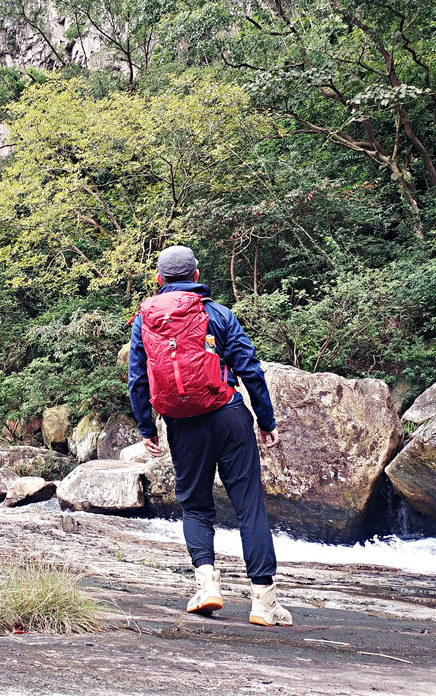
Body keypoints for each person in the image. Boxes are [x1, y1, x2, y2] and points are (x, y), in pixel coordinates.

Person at [127, 245, 292, 626]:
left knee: (196, 507)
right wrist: (266, 421)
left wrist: (147, 427)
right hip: (229, 416)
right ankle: (264, 602)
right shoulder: (217, 314)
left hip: (182, 424)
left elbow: (138, 379)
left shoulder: (144, 322)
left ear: (159, 280)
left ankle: (207, 586)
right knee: (249, 505)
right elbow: (250, 369)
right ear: (197, 277)